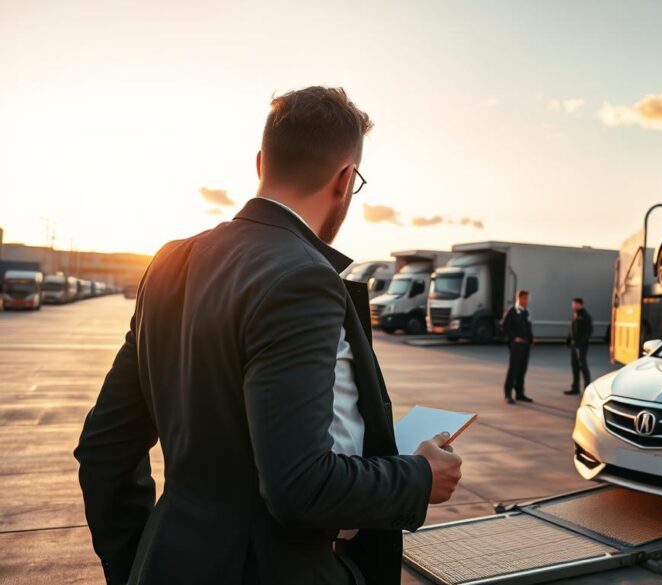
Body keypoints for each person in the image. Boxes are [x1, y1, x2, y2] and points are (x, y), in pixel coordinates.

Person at [74, 86, 463, 585]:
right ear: (345, 181)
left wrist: (140, 562)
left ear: (261, 164)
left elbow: (105, 448)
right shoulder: (302, 277)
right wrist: (420, 477)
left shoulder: (170, 261)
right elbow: (299, 485)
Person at [501, 290, 534, 404]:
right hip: (516, 346)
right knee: (513, 370)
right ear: (519, 298)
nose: (526, 301)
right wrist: (513, 338)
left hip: (526, 345)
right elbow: (505, 326)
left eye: (527, 299)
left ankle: (520, 393)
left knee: (522, 370)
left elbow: (528, 326)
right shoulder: (512, 311)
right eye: (525, 298)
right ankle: (508, 394)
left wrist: (531, 339)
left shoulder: (526, 312)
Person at [564, 297, 593, 395]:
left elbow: (588, 331)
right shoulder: (575, 314)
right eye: (573, 304)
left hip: (581, 346)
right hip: (574, 345)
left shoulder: (586, 316)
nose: (573, 306)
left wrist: (581, 343)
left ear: (581, 304)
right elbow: (571, 328)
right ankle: (575, 388)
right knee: (574, 366)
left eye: (575, 304)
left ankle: (587, 388)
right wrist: (568, 340)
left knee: (582, 366)